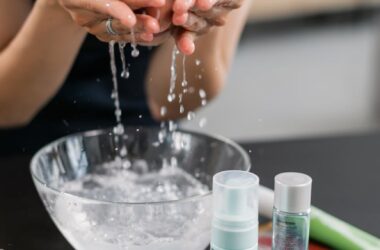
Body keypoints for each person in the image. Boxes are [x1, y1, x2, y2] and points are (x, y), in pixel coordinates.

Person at [0, 0, 251, 155]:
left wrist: (200, 20)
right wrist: (58, 7)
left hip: (145, 143)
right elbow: (7, 110)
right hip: (20, 152)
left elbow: (171, 105)